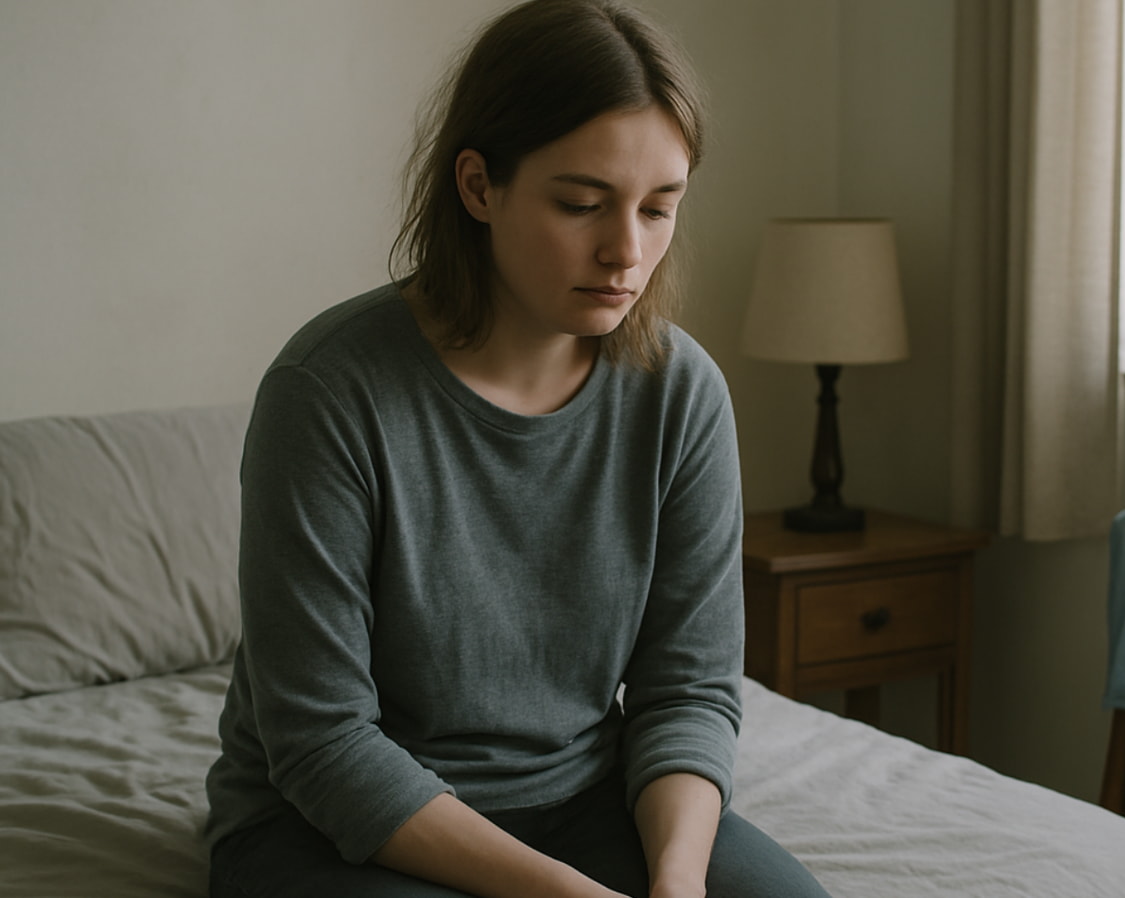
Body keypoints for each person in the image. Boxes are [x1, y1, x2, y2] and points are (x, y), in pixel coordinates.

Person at [204, 1, 832, 896]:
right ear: (478, 186)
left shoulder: (681, 395)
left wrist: (679, 883)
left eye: (660, 209)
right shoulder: (328, 392)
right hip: (326, 824)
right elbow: (321, 741)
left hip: (581, 799)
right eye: (582, 203)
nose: (627, 251)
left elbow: (687, 695)